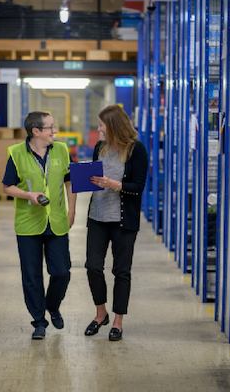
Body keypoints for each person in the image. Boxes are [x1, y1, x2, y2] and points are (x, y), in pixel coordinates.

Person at [3, 111, 77, 340]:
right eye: (50, 128)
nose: (54, 131)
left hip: (56, 221)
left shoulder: (61, 150)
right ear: (36, 131)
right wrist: (28, 195)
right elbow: (7, 187)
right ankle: (39, 321)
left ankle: (52, 305)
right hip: (28, 224)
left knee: (61, 272)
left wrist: (71, 210)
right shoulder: (16, 153)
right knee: (32, 276)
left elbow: (69, 180)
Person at [84, 104, 148, 341]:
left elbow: (138, 187)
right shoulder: (99, 147)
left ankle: (118, 321)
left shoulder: (136, 150)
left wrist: (114, 185)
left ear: (113, 127)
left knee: (121, 271)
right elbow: (94, 178)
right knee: (92, 266)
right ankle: (100, 314)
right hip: (98, 217)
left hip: (123, 220)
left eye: (101, 125)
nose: (98, 129)